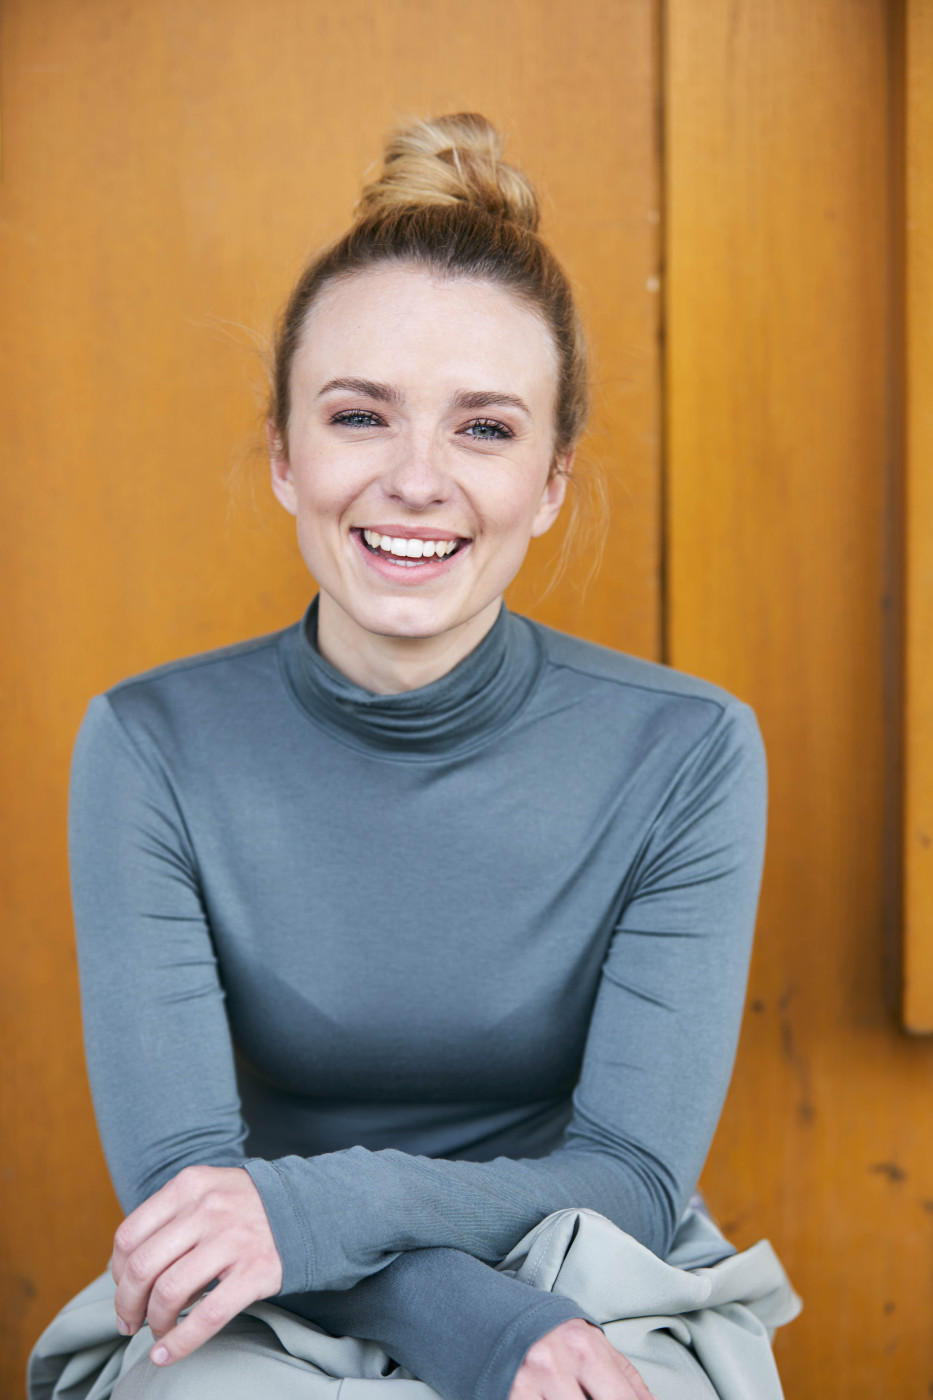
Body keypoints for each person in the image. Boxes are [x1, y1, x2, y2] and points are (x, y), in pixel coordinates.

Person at [28, 113, 799, 1400]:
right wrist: (476, 1328)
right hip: (258, 1287)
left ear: (551, 482)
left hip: (588, 1265)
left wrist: (339, 1215)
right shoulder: (147, 744)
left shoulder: (689, 749)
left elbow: (633, 1175)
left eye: (484, 429)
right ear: (287, 454)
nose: (417, 479)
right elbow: (186, 1185)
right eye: (359, 415)